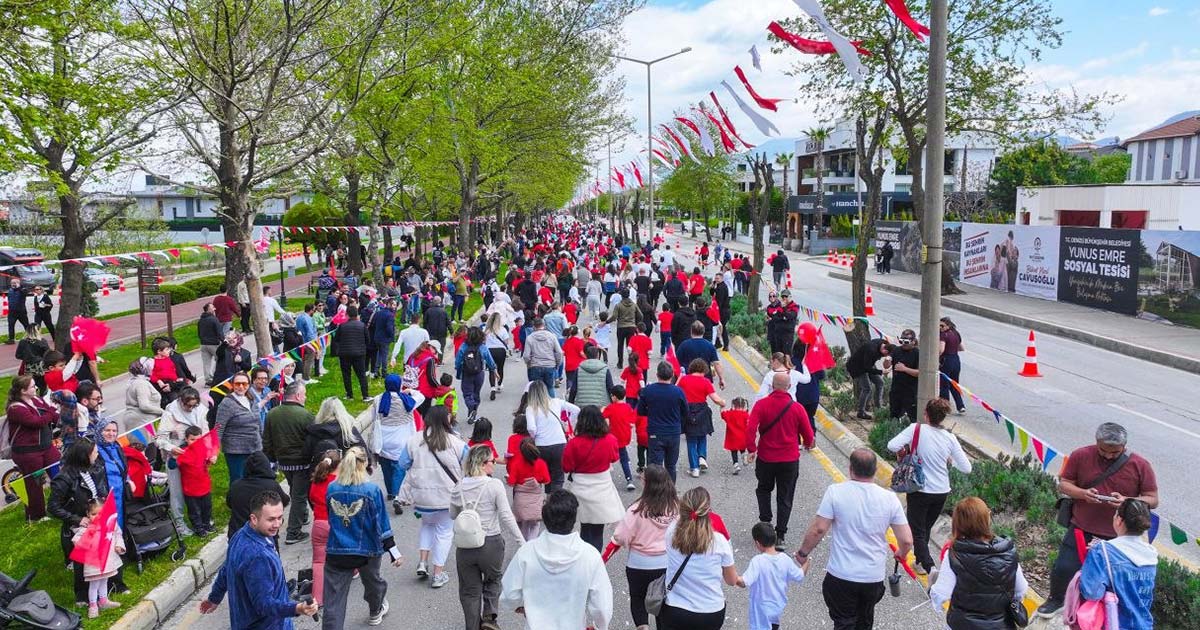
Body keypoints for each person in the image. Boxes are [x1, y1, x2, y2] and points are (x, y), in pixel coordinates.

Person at [1036, 422, 1158, 618]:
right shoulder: (1080, 455)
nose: (1109, 456)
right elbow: (1065, 484)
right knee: (1064, 567)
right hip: (1081, 526)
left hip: (1119, 536)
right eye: (1103, 451)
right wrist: (1083, 494)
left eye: (1115, 453)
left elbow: (1152, 499)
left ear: (1124, 447)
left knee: (1112, 579)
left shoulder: (1140, 465)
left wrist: (1127, 501)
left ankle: (1109, 611)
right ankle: (1056, 599)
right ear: (1096, 443)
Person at [793, 449, 913, 630]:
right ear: (875, 470)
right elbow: (906, 540)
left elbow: (819, 529)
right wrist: (900, 553)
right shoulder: (890, 499)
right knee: (864, 621)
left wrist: (803, 553)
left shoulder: (835, 492)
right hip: (873, 578)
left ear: (850, 469)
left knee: (844, 622)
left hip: (842, 575)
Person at [200, 491, 319, 628]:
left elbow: (226, 570)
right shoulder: (258, 557)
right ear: (254, 519)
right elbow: (263, 605)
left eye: (280, 517)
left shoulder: (240, 535)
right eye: (271, 519)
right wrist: (296, 608)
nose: (277, 524)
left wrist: (214, 598)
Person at [499, 490, 613, 630]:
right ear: (574, 518)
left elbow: (509, 594)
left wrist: (522, 605)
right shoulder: (590, 556)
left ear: (545, 517)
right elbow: (602, 606)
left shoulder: (526, 552)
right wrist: (600, 626)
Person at [886, 399, 973, 574]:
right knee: (924, 528)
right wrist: (951, 461)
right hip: (941, 491)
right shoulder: (950, 438)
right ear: (943, 418)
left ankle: (930, 567)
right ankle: (919, 562)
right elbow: (967, 468)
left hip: (919, 489)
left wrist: (907, 451)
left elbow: (892, 445)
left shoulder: (916, 429)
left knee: (917, 531)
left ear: (926, 414)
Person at [322, 447, 403, 629]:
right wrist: (393, 550)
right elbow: (381, 522)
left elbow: (330, 516)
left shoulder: (332, 488)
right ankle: (375, 610)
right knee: (373, 581)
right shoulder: (372, 490)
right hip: (368, 549)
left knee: (333, 601)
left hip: (337, 549)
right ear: (364, 464)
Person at [451, 445, 525, 630]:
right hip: (490, 542)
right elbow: (506, 515)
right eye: (492, 461)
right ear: (483, 464)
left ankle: (472, 626)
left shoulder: (458, 486)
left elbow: (453, 514)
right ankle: (489, 618)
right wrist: (521, 541)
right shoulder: (494, 485)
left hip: (465, 546)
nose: (494, 464)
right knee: (493, 580)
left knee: (469, 591)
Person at [929, 497, 1028, 630]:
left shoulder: (955, 553)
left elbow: (941, 594)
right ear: (986, 519)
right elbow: (1021, 589)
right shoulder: (1008, 551)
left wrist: (932, 589)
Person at [399, 405, 469, 589]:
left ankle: (423, 562)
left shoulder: (414, 440)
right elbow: (469, 462)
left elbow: (403, 463)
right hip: (448, 497)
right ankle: (438, 574)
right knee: (445, 533)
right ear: (446, 419)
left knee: (427, 525)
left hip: (421, 497)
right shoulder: (455, 442)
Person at [604, 464, 677, 630]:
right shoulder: (675, 508)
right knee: (664, 601)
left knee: (638, 599)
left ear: (647, 484)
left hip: (638, 563)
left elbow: (621, 536)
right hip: (666, 563)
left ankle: (643, 626)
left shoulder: (637, 509)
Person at [747, 372, 815, 549]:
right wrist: (808, 444)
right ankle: (781, 535)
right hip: (789, 460)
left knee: (763, 489)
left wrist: (751, 449)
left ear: (771, 386)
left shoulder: (762, 405)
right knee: (785, 496)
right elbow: (808, 435)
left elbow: (750, 428)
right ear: (789, 386)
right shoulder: (797, 408)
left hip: (766, 457)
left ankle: (765, 524)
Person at [658, 487, 739, 630]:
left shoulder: (671, 532)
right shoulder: (719, 541)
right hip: (710, 611)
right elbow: (731, 580)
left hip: (675, 608)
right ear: (708, 511)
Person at [1078, 499, 1157, 630]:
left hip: (1113, 623)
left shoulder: (1102, 551)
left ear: (1119, 520)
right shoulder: (1151, 555)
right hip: (1144, 625)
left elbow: (1091, 593)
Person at [48, 438, 109, 605]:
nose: (97, 454)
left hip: (96, 519)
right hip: (80, 526)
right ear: (84, 456)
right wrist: (76, 519)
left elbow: (98, 490)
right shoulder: (64, 478)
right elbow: (53, 507)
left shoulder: (92, 468)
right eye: (94, 452)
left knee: (102, 555)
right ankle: (82, 596)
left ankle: (104, 590)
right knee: (82, 563)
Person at [562, 406, 625, 552]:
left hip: (581, 487)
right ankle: (595, 560)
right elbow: (614, 457)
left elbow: (566, 467)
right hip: (602, 487)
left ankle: (585, 558)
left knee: (585, 527)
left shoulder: (574, 443)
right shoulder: (610, 440)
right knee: (597, 530)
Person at [263, 381, 315, 545]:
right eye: (304, 394)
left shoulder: (272, 413)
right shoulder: (305, 415)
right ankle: (293, 531)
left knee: (295, 489)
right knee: (299, 495)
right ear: (298, 395)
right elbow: (313, 441)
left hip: (283, 462)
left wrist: (271, 459)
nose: (305, 397)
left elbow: (267, 441)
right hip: (302, 462)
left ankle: (303, 516)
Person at [6, 375, 61, 522]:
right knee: (35, 484)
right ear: (23, 391)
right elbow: (37, 422)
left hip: (46, 447)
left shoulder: (36, 399)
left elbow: (50, 413)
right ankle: (36, 516)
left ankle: (64, 504)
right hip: (28, 452)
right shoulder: (15, 408)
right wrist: (52, 411)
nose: (35, 388)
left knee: (60, 474)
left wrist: (62, 418)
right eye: (32, 386)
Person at [370, 375, 423, 515]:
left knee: (386, 466)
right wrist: (410, 391)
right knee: (398, 468)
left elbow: (373, 415)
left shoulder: (378, 399)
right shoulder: (407, 401)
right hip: (401, 439)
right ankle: (397, 496)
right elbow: (421, 396)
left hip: (383, 440)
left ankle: (390, 492)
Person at [738, 522, 805, 630]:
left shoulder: (758, 561)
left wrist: (732, 577)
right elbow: (800, 575)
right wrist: (806, 563)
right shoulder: (785, 559)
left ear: (757, 543)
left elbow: (743, 582)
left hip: (760, 612)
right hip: (776, 609)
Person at [636, 361, 689, 482]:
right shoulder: (678, 391)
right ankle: (670, 494)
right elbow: (686, 412)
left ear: (657, 374)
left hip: (655, 431)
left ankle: (654, 494)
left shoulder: (648, 391)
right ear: (671, 376)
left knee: (655, 466)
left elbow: (640, 411)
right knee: (671, 466)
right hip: (673, 432)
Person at [75, 497, 125, 618]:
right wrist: (81, 543)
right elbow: (78, 539)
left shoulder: (110, 524)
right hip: (94, 563)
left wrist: (119, 545)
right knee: (94, 583)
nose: (97, 516)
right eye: (93, 514)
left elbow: (118, 534)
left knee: (104, 580)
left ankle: (103, 600)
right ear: (87, 514)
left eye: (100, 513)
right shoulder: (87, 528)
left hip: (107, 560)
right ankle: (93, 605)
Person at [524, 380, 579, 492]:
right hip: (559, 443)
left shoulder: (530, 408)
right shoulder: (556, 402)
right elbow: (576, 410)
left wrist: (534, 437)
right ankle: (555, 501)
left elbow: (531, 428)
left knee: (546, 475)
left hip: (541, 445)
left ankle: (548, 497)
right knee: (558, 477)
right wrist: (568, 425)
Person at [678, 359, 726, 478]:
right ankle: (702, 457)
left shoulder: (684, 380)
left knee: (691, 440)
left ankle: (694, 468)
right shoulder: (705, 381)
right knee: (702, 435)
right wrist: (723, 403)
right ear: (703, 370)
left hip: (688, 410)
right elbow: (715, 399)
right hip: (702, 411)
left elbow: (676, 392)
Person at [227, 451, 290, 536]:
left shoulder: (236, 485)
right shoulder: (271, 485)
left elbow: (229, 503)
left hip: (238, 532)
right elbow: (284, 501)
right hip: (264, 533)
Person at [215, 372, 261, 487]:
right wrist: (214, 451)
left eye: (244, 384)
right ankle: (236, 502)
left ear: (249, 385)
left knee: (254, 477)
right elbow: (219, 428)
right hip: (236, 451)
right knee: (238, 479)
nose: (241, 387)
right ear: (232, 385)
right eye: (237, 384)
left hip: (255, 447)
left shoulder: (252, 399)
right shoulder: (227, 403)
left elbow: (258, 423)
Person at [308, 450, 340, 607]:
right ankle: (354, 570)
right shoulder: (338, 482)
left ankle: (317, 599)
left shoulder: (315, 481)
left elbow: (313, 499)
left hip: (319, 524)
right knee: (345, 550)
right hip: (336, 524)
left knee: (319, 562)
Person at [506, 437, 550, 541]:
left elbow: (511, 483)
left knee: (524, 524)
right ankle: (531, 543)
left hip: (521, 499)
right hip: (535, 498)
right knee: (535, 524)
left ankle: (524, 544)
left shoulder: (516, 464)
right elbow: (547, 480)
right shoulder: (541, 463)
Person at [177, 425, 216, 536]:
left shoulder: (203, 448)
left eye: (198, 440)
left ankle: (206, 524)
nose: (195, 442)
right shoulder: (183, 451)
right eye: (192, 440)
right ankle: (198, 528)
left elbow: (206, 461)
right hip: (190, 489)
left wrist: (211, 459)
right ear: (186, 439)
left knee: (207, 507)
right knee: (194, 510)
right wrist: (174, 457)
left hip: (204, 485)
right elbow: (172, 465)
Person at [456, 326, 497, 424]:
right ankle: (474, 412)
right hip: (479, 373)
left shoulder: (463, 346)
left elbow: (458, 361)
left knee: (467, 393)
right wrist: (494, 369)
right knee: (476, 393)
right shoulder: (483, 347)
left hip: (467, 373)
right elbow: (489, 360)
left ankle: (471, 408)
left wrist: (458, 370)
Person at [602, 385, 637, 490]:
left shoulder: (610, 408)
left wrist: (602, 409)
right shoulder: (628, 407)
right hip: (624, 437)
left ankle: (605, 478)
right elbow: (631, 421)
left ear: (614, 397)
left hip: (613, 437)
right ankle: (629, 479)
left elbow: (602, 416)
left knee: (606, 456)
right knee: (624, 458)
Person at [846, 337, 889, 420]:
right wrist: (881, 372)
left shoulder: (883, 342)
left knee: (880, 383)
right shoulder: (871, 350)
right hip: (857, 367)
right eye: (884, 355)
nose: (882, 357)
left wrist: (889, 358)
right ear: (884, 349)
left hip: (867, 364)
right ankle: (860, 412)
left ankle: (878, 407)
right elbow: (867, 368)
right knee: (867, 388)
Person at [676, 320, 726, 390]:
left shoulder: (684, 345)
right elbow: (716, 363)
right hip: (704, 379)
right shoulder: (710, 345)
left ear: (691, 331)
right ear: (703, 331)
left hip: (688, 379)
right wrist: (721, 378)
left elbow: (676, 362)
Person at [335, 304, 371, 402]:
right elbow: (368, 340)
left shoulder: (342, 326)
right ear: (357, 314)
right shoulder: (362, 325)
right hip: (359, 353)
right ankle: (365, 395)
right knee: (361, 375)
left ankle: (349, 395)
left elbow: (336, 339)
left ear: (347, 314)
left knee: (346, 375)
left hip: (345, 353)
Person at [523, 317, 563, 397]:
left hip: (535, 365)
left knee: (536, 390)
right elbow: (559, 352)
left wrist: (529, 364)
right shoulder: (552, 336)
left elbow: (526, 355)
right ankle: (552, 405)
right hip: (549, 365)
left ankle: (537, 406)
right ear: (544, 325)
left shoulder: (530, 338)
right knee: (550, 387)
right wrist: (557, 364)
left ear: (534, 326)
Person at [888, 330, 920, 421]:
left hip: (910, 391)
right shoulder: (896, 350)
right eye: (901, 341)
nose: (903, 344)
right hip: (896, 390)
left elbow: (920, 373)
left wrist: (905, 369)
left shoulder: (917, 353)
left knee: (913, 417)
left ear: (913, 341)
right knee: (894, 416)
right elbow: (886, 365)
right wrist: (887, 361)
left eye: (906, 342)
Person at [124, 358, 161, 434]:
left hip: (138, 421)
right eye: (151, 367)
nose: (153, 369)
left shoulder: (135, 381)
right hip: (145, 423)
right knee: (151, 443)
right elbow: (144, 406)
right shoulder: (141, 384)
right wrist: (163, 412)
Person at [938, 318, 967, 414]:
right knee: (954, 384)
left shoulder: (943, 335)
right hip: (956, 360)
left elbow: (941, 350)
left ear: (948, 326)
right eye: (939, 325)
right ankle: (960, 406)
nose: (940, 327)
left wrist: (936, 356)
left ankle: (945, 408)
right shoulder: (956, 333)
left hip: (946, 361)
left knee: (944, 385)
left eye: (942, 326)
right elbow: (962, 348)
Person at [572, 345, 612, 409]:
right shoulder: (605, 369)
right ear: (598, 356)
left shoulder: (579, 369)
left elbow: (574, 389)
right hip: (601, 404)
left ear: (586, 355)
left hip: (582, 404)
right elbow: (610, 388)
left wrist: (570, 403)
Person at [483, 312, 512, 400]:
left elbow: (483, 342)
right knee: (500, 368)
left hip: (489, 351)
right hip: (500, 350)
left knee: (491, 369)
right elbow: (506, 342)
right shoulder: (502, 329)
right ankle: (499, 384)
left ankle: (492, 388)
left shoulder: (486, 330)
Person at [720, 397, 749, 475]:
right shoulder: (745, 414)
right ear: (743, 406)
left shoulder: (730, 414)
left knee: (734, 451)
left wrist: (721, 406)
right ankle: (744, 456)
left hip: (732, 437)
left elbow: (723, 415)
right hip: (742, 437)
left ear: (733, 405)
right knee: (742, 449)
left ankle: (736, 464)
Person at [765, 289, 799, 356]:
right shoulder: (780, 307)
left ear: (790, 297)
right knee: (778, 354)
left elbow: (790, 316)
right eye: (783, 297)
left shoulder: (794, 306)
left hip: (787, 335)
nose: (784, 298)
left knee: (786, 354)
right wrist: (782, 317)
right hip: (779, 333)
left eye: (786, 297)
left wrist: (784, 312)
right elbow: (775, 317)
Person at [198, 303, 223, 385]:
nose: (215, 309)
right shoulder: (214, 319)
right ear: (208, 310)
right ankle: (216, 376)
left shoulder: (201, 320)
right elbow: (219, 332)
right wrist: (223, 341)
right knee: (220, 359)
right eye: (213, 308)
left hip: (203, 344)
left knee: (206, 363)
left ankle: (208, 379)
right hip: (213, 344)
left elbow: (199, 332)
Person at [5, 278, 30, 343]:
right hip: (12, 312)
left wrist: (19, 287)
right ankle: (11, 339)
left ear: (18, 283)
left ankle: (30, 337)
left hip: (21, 311)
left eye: (14, 283)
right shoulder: (10, 290)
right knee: (11, 325)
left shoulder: (23, 290)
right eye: (12, 283)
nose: (13, 284)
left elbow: (25, 293)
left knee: (26, 325)